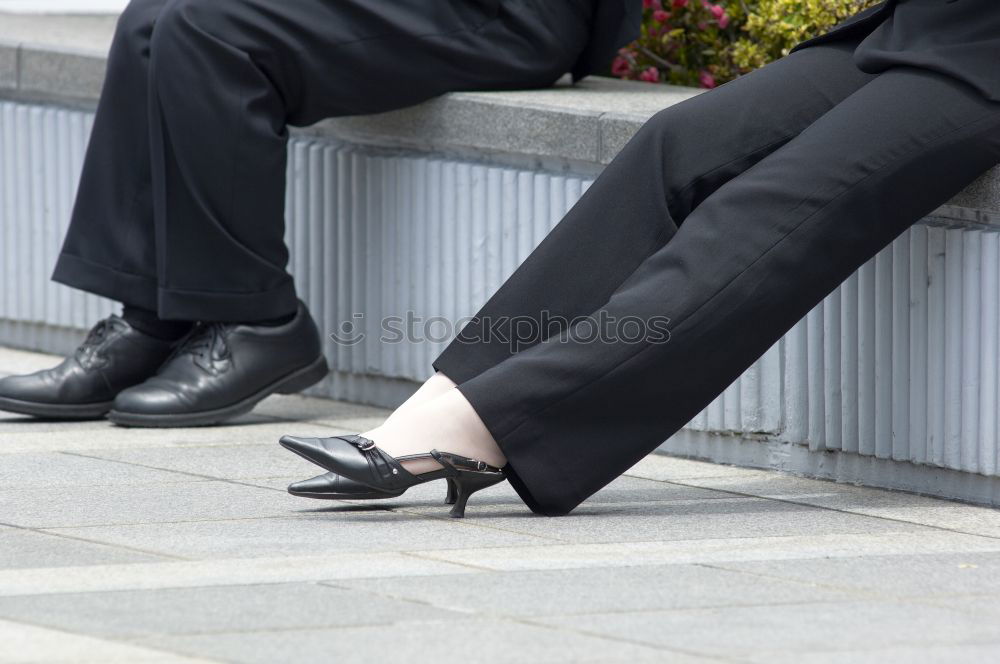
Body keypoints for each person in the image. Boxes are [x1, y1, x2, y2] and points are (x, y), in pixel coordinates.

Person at [279, 0, 1000, 516]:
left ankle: (486, 427)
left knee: (776, 205)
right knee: (674, 142)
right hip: (927, 21)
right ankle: (443, 400)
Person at [0, 0, 640, 427]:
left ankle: (255, 320)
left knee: (210, 30)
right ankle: (156, 317)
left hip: (507, 15)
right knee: (154, 15)